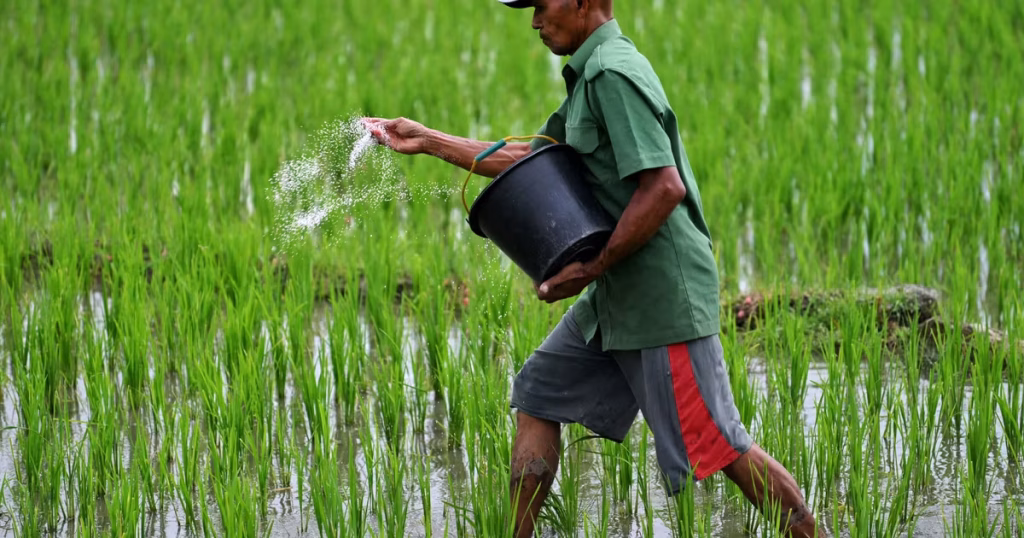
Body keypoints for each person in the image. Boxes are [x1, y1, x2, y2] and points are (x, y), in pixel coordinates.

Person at [366, 1, 822, 536]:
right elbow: (532, 158)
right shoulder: (589, 75)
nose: (535, 21)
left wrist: (591, 268)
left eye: (542, 5)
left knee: (721, 443)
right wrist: (429, 141)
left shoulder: (613, 74)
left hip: (659, 294)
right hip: (616, 290)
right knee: (538, 392)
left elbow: (663, 187)